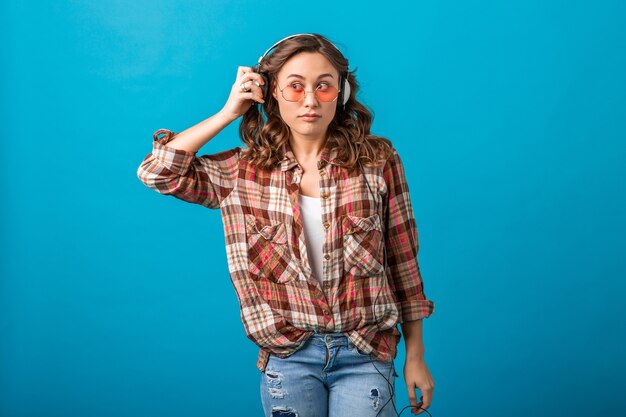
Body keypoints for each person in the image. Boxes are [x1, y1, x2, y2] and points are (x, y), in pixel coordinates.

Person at [137, 33, 435, 417]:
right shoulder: (242, 171)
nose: (310, 100)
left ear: (341, 94)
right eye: (295, 87)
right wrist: (229, 111)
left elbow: (404, 262)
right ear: (272, 92)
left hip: (366, 352)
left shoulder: (378, 160)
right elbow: (157, 172)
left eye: (324, 87)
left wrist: (416, 356)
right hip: (289, 357)